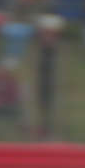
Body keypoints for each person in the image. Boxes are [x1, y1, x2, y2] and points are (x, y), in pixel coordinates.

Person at [32, 11, 62, 139]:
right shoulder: (37, 50)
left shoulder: (57, 52)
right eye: (45, 33)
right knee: (40, 106)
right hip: (41, 82)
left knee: (51, 107)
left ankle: (49, 130)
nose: (47, 37)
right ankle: (41, 129)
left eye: (50, 34)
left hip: (53, 84)